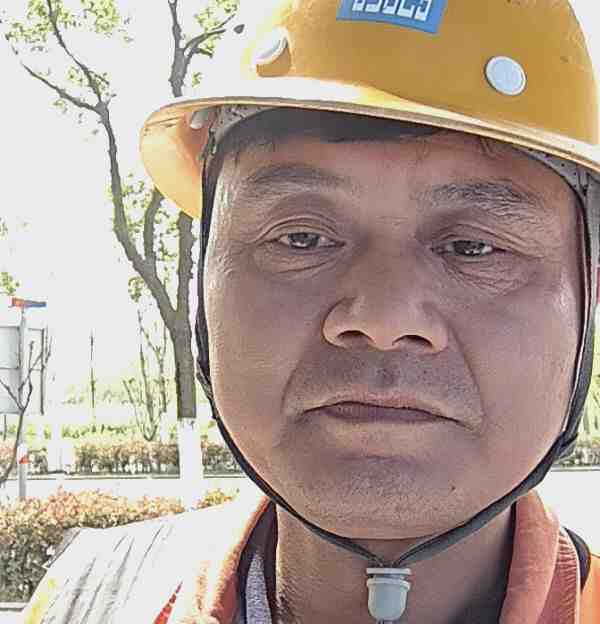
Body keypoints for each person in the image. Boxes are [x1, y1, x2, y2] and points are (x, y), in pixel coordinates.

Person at [20, 0, 600, 622]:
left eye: (472, 248)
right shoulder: (88, 601)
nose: (382, 319)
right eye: (301, 238)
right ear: (204, 282)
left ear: (586, 299)